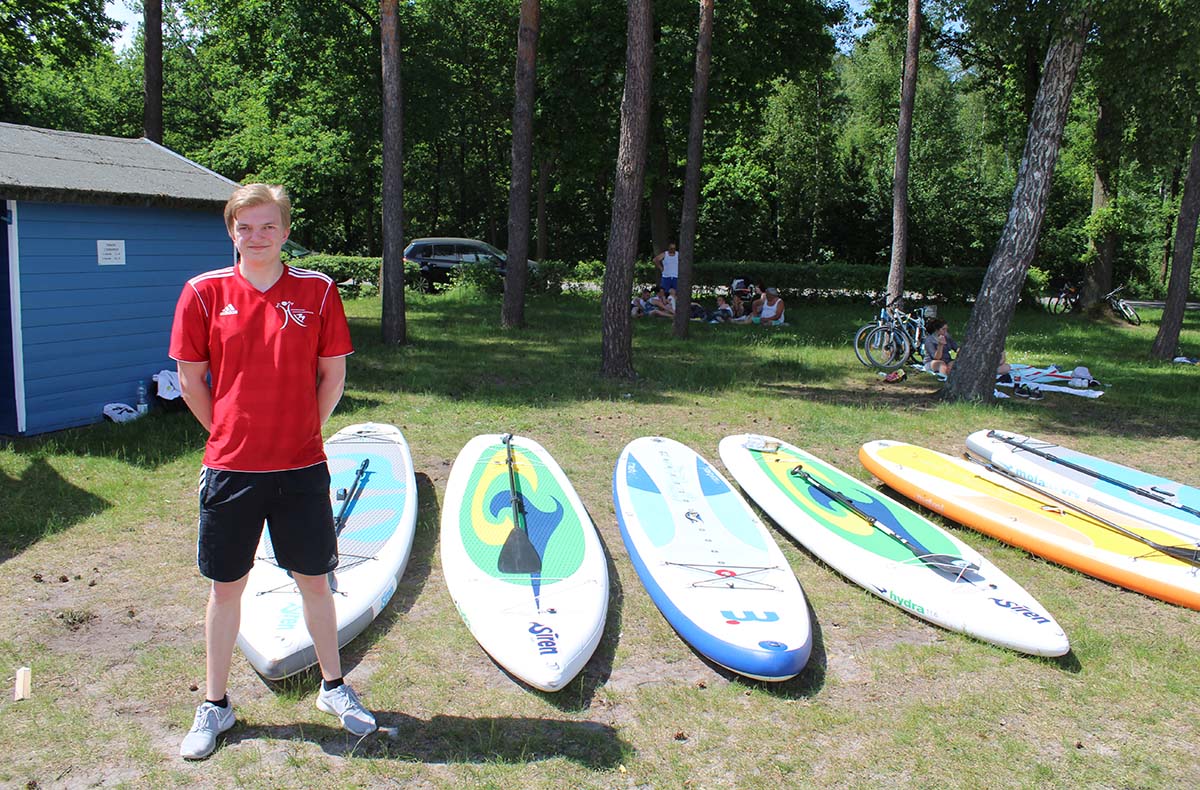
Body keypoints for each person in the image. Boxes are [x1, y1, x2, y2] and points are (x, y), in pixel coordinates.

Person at [169, 184, 375, 761]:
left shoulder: (317, 291)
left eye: (267, 226)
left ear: (285, 232)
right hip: (232, 469)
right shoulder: (203, 292)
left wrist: (303, 429)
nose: (256, 237)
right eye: (245, 227)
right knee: (225, 588)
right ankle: (215, 704)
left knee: (315, 580)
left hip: (302, 467)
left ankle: (333, 687)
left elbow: (332, 375)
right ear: (231, 232)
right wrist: (228, 432)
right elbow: (190, 380)